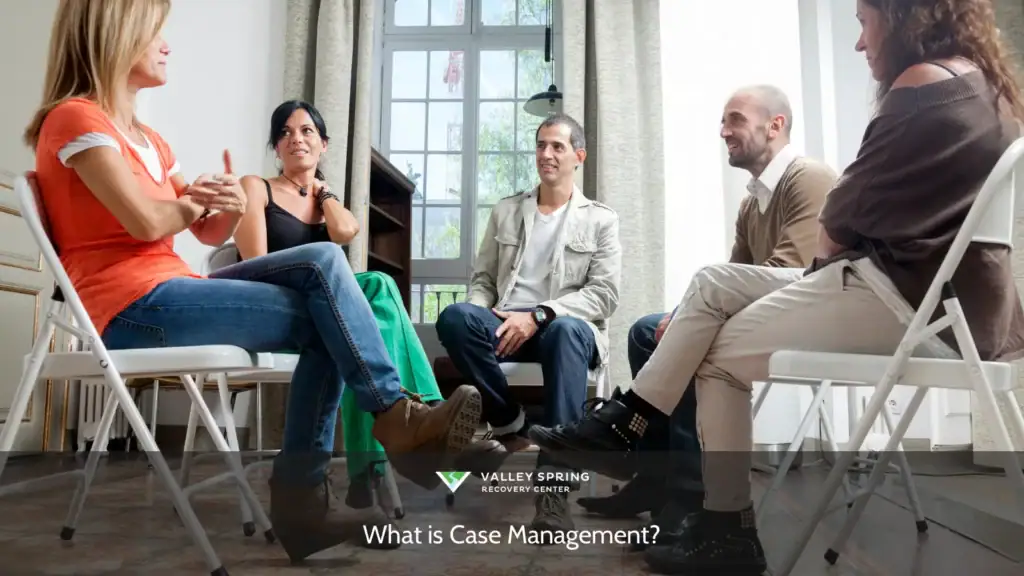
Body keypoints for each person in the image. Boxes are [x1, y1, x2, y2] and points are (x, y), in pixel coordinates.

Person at [527, 0, 1024, 573]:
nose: (861, 43)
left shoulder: (920, 87)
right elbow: (837, 231)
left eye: (863, 23)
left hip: (912, 303)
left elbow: (833, 230)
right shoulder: (983, 88)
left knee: (712, 353)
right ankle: (642, 439)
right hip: (960, 308)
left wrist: (844, 236)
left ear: (901, 14)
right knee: (706, 295)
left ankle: (708, 508)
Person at [26, 0, 483, 564]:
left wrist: (225, 206)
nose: (167, 43)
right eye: (155, 31)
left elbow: (199, 230)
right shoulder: (75, 118)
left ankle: (326, 485)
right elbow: (145, 221)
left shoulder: (150, 138)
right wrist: (195, 203)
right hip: (128, 308)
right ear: (116, 35)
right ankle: (389, 423)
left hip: (171, 286)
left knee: (324, 283)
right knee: (324, 283)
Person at [577, 85, 836, 548]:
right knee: (645, 332)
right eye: (723, 121)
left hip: (807, 317)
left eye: (734, 119)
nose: (723, 131)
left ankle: (687, 495)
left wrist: (691, 319)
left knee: (697, 345)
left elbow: (790, 276)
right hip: (768, 313)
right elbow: (736, 277)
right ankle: (656, 477)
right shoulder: (750, 201)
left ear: (775, 125)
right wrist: (681, 313)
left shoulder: (808, 178)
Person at [233, 99, 446, 548]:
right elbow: (253, 264)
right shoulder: (257, 187)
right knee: (366, 309)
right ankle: (412, 430)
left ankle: (378, 461)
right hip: (276, 313)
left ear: (323, 144)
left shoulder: (324, 200)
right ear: (276, 146)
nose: (297, 139)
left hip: (326, 317)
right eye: (287, 133)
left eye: (308, 131)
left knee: (378, 296)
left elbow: (348, 232)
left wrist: (324, 194)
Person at [435, 113, 621, 536]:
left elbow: (604, 295)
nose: (546, 154)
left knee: (565, 331)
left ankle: (553, 489)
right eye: (540, 145)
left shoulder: (600, 220)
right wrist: (488, 314)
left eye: (557, 146)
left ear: (579, 156)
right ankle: (510, 422)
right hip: (507, 325)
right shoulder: (506, 211)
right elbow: (482, 279)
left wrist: (540, 314)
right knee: (456, 318)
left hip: (565, 331)